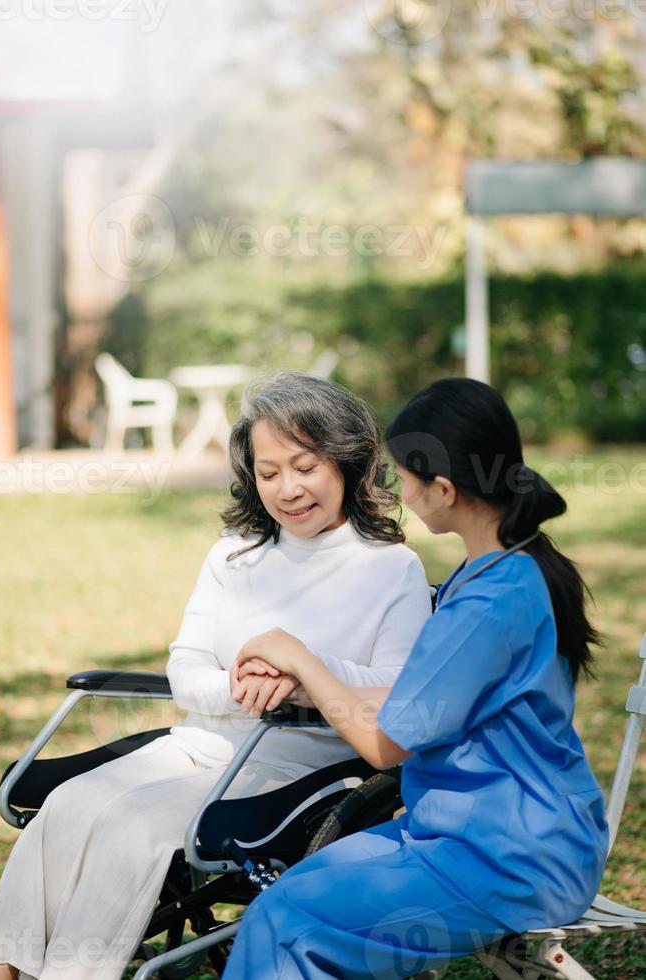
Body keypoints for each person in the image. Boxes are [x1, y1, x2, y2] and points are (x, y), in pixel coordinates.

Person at [0, 372, 430, 980]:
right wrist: (239, 684)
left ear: (346, 461)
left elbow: (395, 690)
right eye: (268, 472)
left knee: (130, 823)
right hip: (196, 745)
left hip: (304, 767)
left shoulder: (392, 570)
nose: (288, 489)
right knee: (69, 803)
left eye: (305, 467)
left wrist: (299, 670)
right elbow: (186, 668)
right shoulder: (233, 553)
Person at [221, 377, 609, 980]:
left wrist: (300, 659)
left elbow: (385, 745)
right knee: (297, 890)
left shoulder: (486, 604)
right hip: (468, 835)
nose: (397, 489)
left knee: (284, 919)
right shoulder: (508, 565)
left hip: (511, 859)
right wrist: (306, 686)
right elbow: (424, 699)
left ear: (444, 489)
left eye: (404, 476)